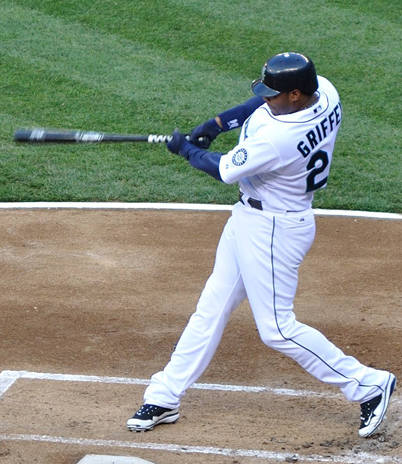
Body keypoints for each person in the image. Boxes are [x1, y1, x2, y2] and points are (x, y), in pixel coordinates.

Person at [127, 52, 396, 438]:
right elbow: (259, 104)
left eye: (275, 93)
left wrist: (186, 149)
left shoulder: (279, 139)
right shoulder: (327, 93)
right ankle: (165, 394)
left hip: (273, 229)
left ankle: (368, 384)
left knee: (277, 329)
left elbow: (221, 169)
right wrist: (217, 123)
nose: (266, 98)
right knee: (212, 306)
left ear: (296, 95)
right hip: (252, 219)